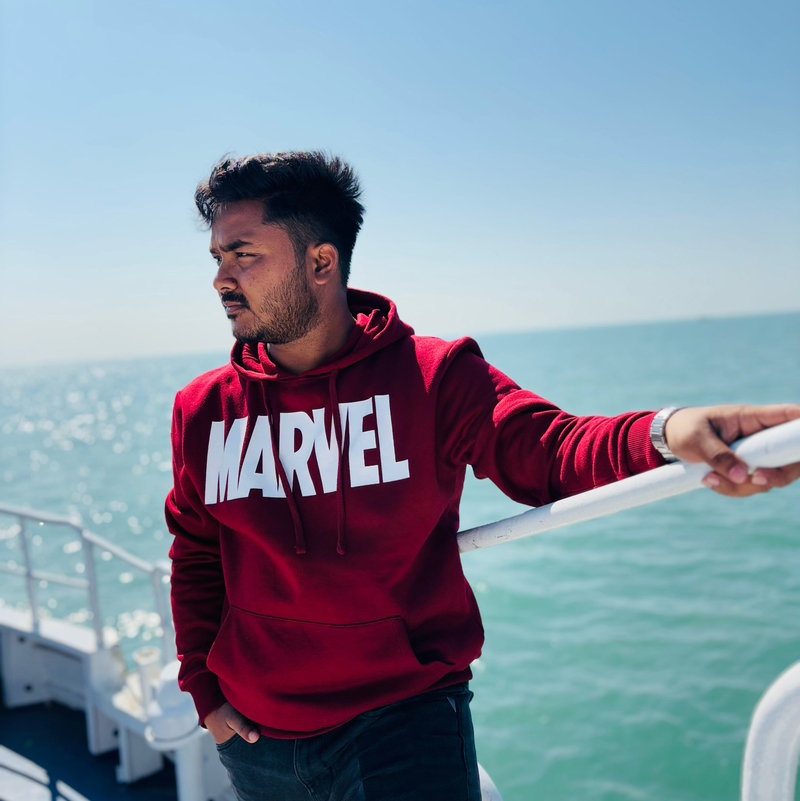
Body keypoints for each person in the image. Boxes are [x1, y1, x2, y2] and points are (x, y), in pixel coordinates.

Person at [166, 151, 800, 801]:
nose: (220, 279)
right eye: (217, 258)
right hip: (257, 742)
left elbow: (551, 450)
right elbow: (195, 554)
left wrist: (668, 432)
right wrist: (204, 692)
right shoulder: (203, 409)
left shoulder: (433, 377)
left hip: (401, 722)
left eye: (242, 255)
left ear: (321, 262)